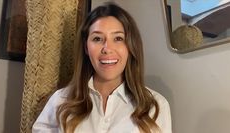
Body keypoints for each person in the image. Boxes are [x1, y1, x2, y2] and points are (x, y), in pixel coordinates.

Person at [32, 2, 172, 133]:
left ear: (130, 46)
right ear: (86, 47)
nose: (107, 49)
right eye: (97, 39)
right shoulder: (61, 100)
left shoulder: (156, 106)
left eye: (118, 38)